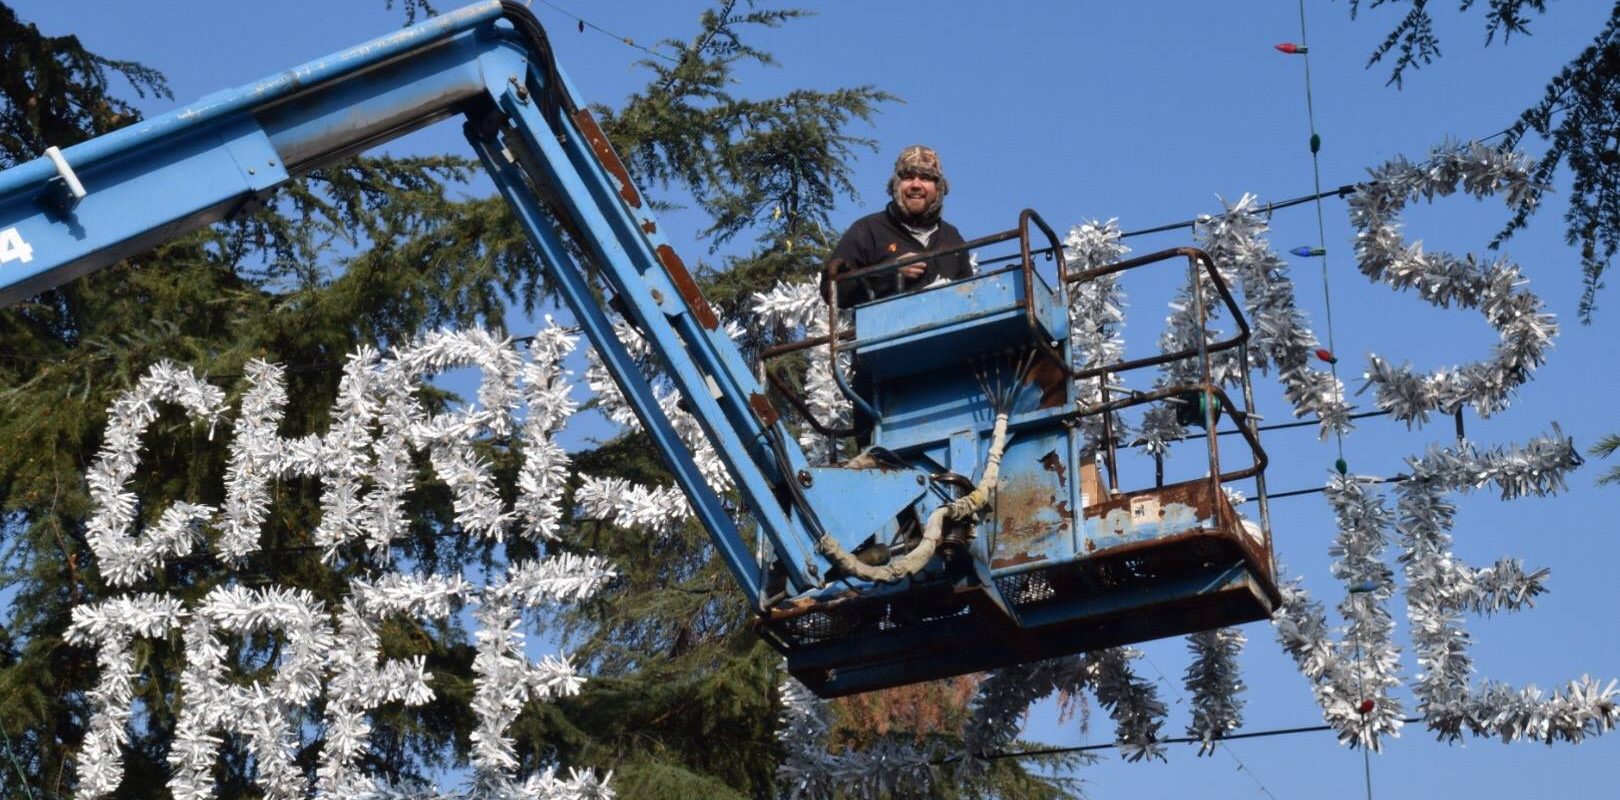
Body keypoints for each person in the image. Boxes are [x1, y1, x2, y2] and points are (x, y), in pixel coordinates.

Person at [820, 145, 973, 308]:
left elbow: (971, 297)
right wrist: (890, 273)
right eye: (908, 177)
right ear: (895, 186)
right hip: (884, 323)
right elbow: (831, 290)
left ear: (938, 188)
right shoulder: (867, 230)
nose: (916, 185)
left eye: (926, 178)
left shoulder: (952, 237)